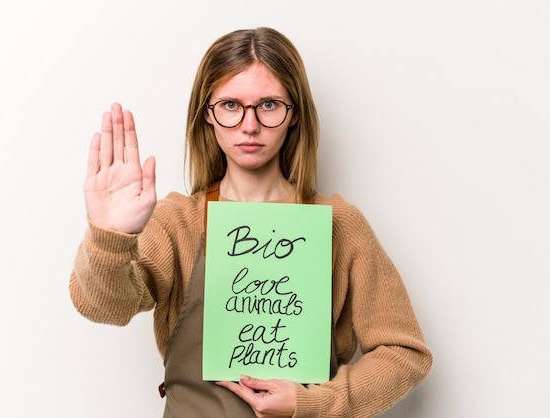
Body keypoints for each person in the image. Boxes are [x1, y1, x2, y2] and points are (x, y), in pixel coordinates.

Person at [70, 27, 432, 417]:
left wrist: (313, 403)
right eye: (230, 105)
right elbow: (104, 307)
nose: (249, 125)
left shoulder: (339, 225)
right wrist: (111, 237)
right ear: (206, 114)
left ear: (295, 114)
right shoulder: (179, 221)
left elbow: (405, 353)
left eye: (269, 104)